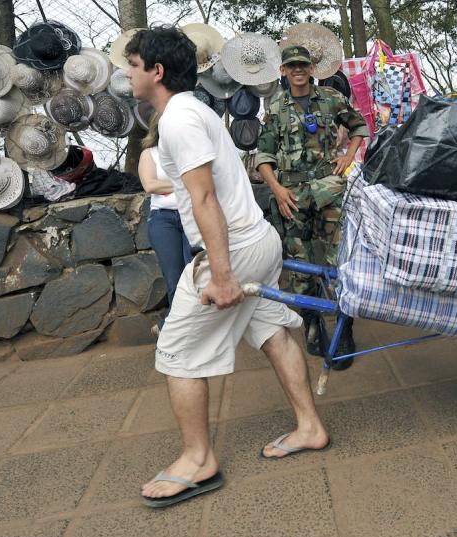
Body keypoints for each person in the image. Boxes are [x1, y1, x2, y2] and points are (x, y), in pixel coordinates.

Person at [124, 27, 329, 508]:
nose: (127, 73)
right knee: (273, 331)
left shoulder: (179, 121)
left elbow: (203, 198)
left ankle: (199, 460)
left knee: (176, 350)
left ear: (156, 71)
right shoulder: (191, 110)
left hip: (234, 247)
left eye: (133, 65)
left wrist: (220, 275)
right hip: (255, 238)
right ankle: (310, 427)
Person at [255, 46, 369, 357]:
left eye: (302, 65)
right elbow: (263, 157)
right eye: (292, 66)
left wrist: (348, 155)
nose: (298, 70)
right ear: (283, 71)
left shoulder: (331, 98)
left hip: (330, 191)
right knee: (301, 268)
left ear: (311, 69)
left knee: (339, 262)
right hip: (292, 198)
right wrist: (277, 190)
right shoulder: (276, 107)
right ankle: (313, 325)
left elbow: (359, 126)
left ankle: (345, 328)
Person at [137, 113, 192, 336]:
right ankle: (175, 329)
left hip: (191, 214)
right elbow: (150, 185)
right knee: (174, 278)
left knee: (195, 273)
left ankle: (171, 325)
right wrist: (182, 183)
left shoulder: (188, 151)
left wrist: (167, 185)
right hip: (163, 219)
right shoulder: (149, 154)